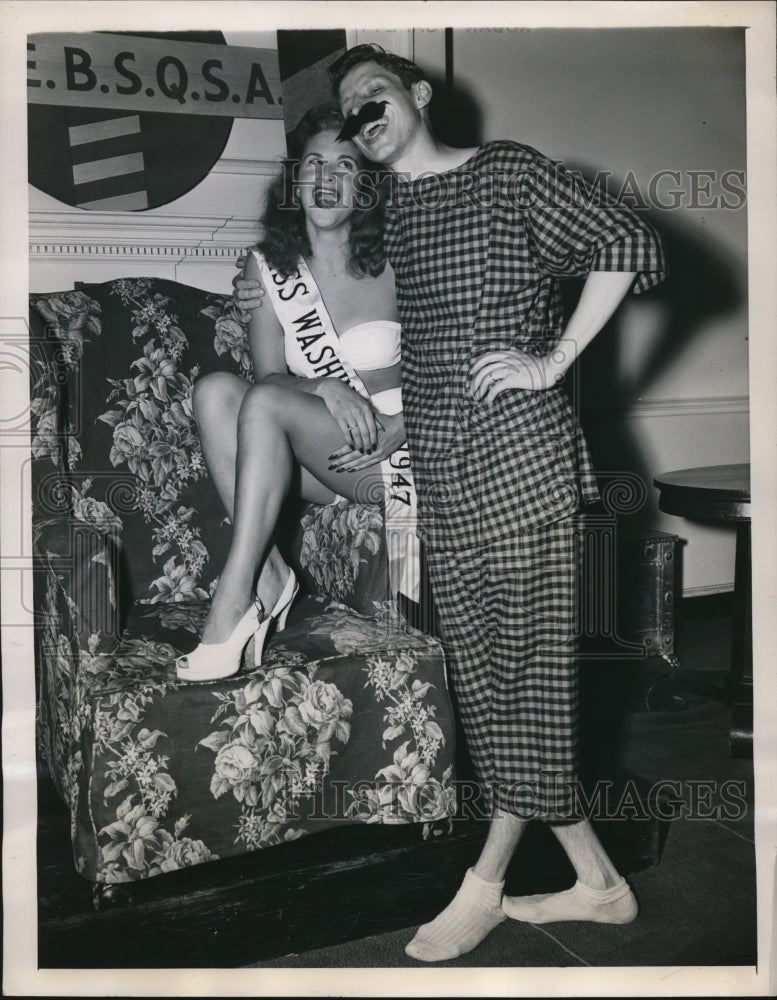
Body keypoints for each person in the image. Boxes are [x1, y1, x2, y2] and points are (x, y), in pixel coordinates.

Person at [234, 44, 667, 962]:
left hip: (521, 467)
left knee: (527, 681)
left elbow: (629, 242)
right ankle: (598, 882)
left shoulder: (502, 172)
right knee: (484, 684)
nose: (361, 118)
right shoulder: (390, 216)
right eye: (346, 114)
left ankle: (484, 882)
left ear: (419, 94)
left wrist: (552, 361)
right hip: (439, 479)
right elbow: (325, 304)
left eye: (374, 97)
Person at [176, 103, 416, 684]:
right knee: (215, 391)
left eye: (346, 166)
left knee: (261, 403)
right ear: (295, 181)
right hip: (321, 457)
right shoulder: (267, 271)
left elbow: (450, 366)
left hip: (395, 453)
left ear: (364, 190)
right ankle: (272, 576)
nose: (327, 178)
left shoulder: (400, 263)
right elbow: (270, 377)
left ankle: (232, 606)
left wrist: (401, 425)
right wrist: (326, 387)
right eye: (314, 163)